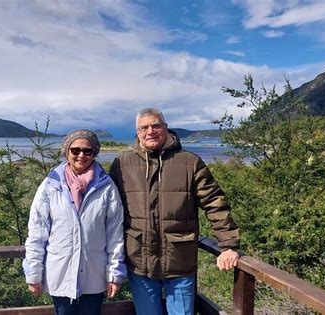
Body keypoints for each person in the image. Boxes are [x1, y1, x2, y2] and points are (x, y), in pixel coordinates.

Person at [109, 108, 240, 315]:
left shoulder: (190, 162)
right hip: (139, 260)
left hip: (180, 260)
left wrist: (228, 245)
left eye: (156, 125)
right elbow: (110, 211)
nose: (150, 131)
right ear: (137, 132)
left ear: (166, 128)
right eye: (144, 127)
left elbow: (215, 203)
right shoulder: (122, 164)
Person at [23, 129, 126, 315]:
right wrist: (33, 272)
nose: (81, 155)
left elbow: (115, 234)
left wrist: (115, 273)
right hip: (59, 271)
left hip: (95, 272)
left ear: (94, 153)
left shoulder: (107, 187)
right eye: (75, 150)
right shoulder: (50, 185)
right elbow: (37, 232)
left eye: (87, 151)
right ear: (66, 151)